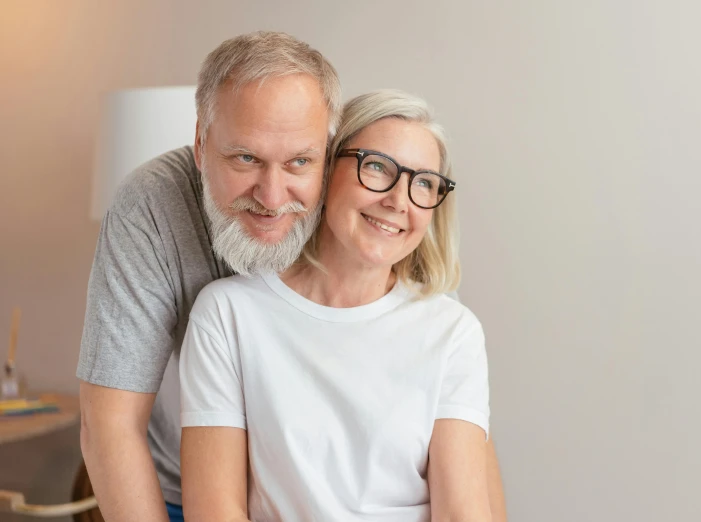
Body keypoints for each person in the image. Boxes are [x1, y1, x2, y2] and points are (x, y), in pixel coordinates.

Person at [78, 30, 505, 522]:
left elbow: (458, 423)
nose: (273, 196)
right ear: (201, 144)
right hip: (174, 488)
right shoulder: (157, 214)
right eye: (246, 158)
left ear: (326, 155)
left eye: (299, 161)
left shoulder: (406, 266)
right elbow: (109, 425)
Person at [180, 89, 496, 521]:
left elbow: (462, 513)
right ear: (325, 173)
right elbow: (214, 511)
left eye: (424, 182)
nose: (399, 201)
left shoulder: (452, 331)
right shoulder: (229, 314)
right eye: (378, 168)